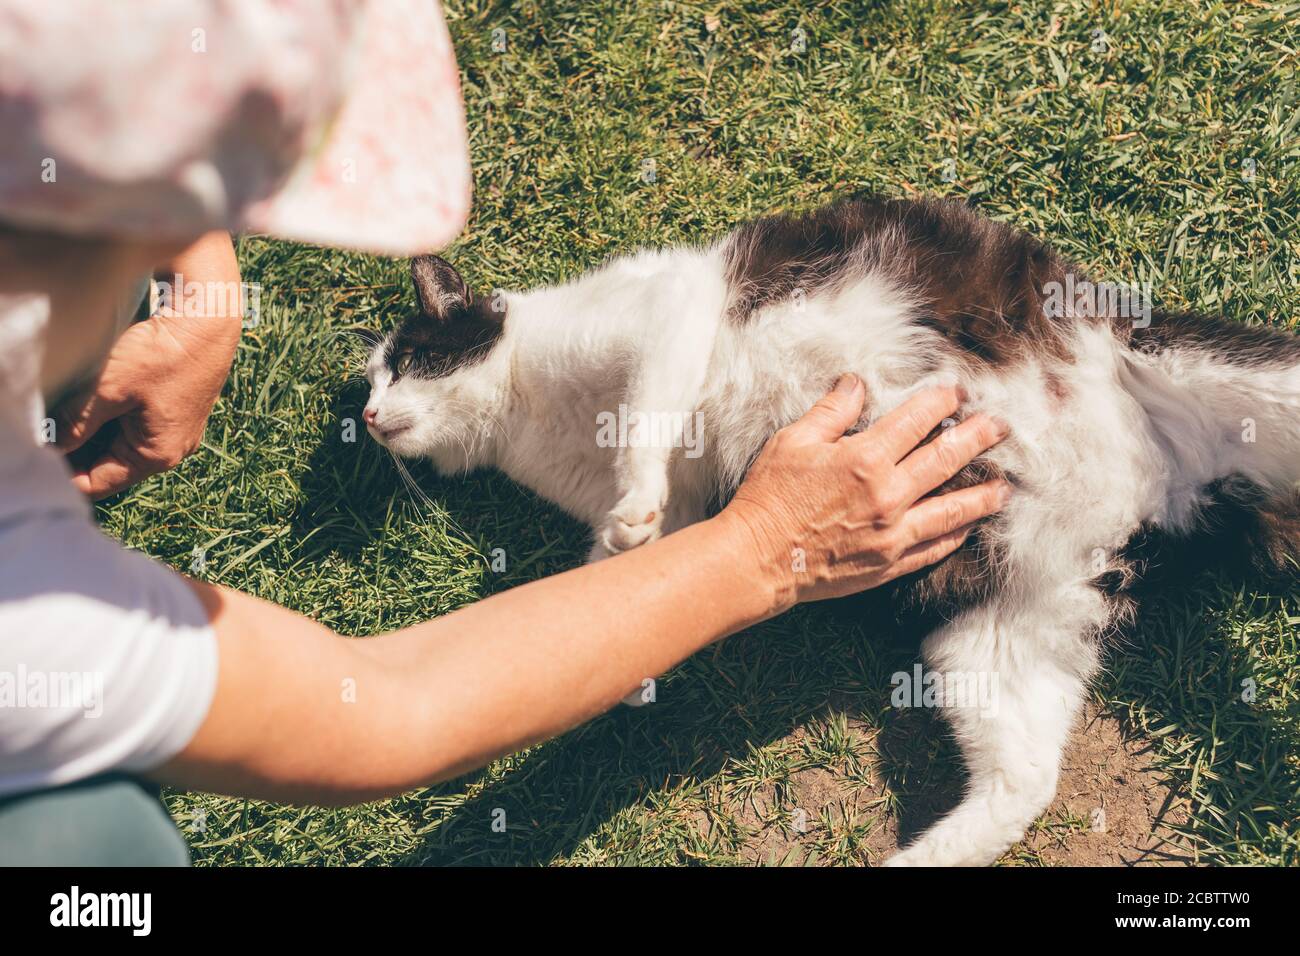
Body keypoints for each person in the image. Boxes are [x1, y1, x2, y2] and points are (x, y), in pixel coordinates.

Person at [0, 0, 1010, 864]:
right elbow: (380, 710)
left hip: (886, 338)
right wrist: (761, 550)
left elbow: (677, 299)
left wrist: (199, 276)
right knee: (104, 845)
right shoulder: (32, 605)